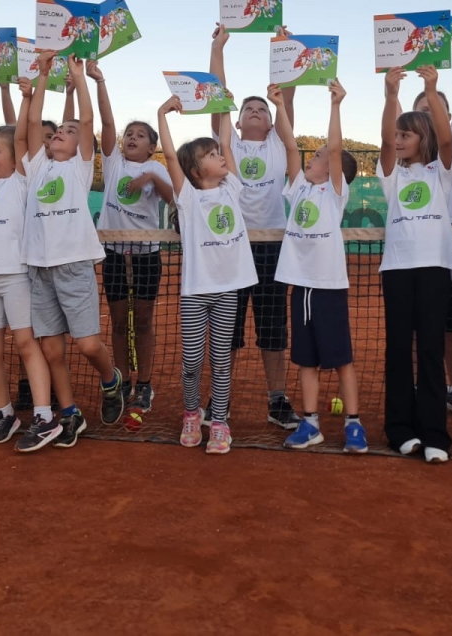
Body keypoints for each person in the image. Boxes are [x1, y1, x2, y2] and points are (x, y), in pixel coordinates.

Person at [22, 54, 125, 448]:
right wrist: (43, 77)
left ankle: (110, 379)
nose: (60, 133)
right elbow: (32, 124)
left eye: (68, 131)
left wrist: (80, 78)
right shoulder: (35, 167)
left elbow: (86, 121)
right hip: (38, 269)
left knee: (86, 345)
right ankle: (69, 413)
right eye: (56, 131)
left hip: (74, 266)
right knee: (51, 348)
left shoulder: (79, 168)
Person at [209, 24, 299, 429]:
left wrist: (285, 48)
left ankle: (277, 399)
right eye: (248, 109)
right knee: (226, 329)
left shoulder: (280, 144)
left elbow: (288, 97)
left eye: (261, 108)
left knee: (272, 330)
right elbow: (216, 94)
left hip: (271, 247)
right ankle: (219, 400)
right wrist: (218, 47)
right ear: (239, 121)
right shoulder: (229, 143)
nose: (256, 112)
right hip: (232, 244)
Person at [158, 94, 257, 455]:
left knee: (220, 360)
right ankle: (190, 413)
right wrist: (162, 115)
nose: (221, 156)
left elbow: (227, 139)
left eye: (219, 153)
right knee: (191, 361)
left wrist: (221, 100)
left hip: (227, 290)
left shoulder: (232, 187)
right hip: (196, 293)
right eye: (212, 155)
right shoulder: (188, 198)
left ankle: (219, 422)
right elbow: (170, 157)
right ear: (197, 171)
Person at [270, 81, 366, 452]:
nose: (313, 157)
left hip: (328, 288)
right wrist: (280, 105)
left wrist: (336, 104)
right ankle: (310, 423)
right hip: (300, 286)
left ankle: (353, 425)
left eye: (321, 155)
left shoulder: (333, 192)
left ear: (336, 168)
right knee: (306, 360)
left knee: (341, 359)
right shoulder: (300, 187)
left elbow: (337, 146)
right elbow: (291, 146)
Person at [0, 79, 58, 450]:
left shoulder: (22, 180)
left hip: (16, 277)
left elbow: (21, 137)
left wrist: (26, 98)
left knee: (25, 344)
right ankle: (4, 413)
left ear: (14, 158)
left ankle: (44, 416)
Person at [378, 64, 452, 463]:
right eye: (397, 134)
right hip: (396, 269)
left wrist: (432, 89)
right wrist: (391, 95)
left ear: (423, 138)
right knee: (398, 348)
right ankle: (400, 430)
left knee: (430, 349)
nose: (397, 140)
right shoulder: (391, 176)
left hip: (434, 267)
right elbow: (382, 138)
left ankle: (434, 435)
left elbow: (447, 139)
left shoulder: (440, 172)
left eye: (405, 134)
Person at [89, 59, 173, 414]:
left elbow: (172, 198)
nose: (131, 137)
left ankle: (145, 385)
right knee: (120, 322)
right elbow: (106, 121)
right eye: (129, 134)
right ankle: (122, 382)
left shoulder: (155, 167)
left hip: (145, 255)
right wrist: (99, 80)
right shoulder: (113, 162)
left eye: (140, 135)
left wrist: (153, 180)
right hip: (112, 251)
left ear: (152, 146)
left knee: (143, 320)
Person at [410, 23, 452, 420]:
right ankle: (423, 384)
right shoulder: (406, 150)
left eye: (433, 107)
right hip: (415, 239)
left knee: (451, 323)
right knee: (417, 322)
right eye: (420, 110)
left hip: (451, 236)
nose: (427, 114)